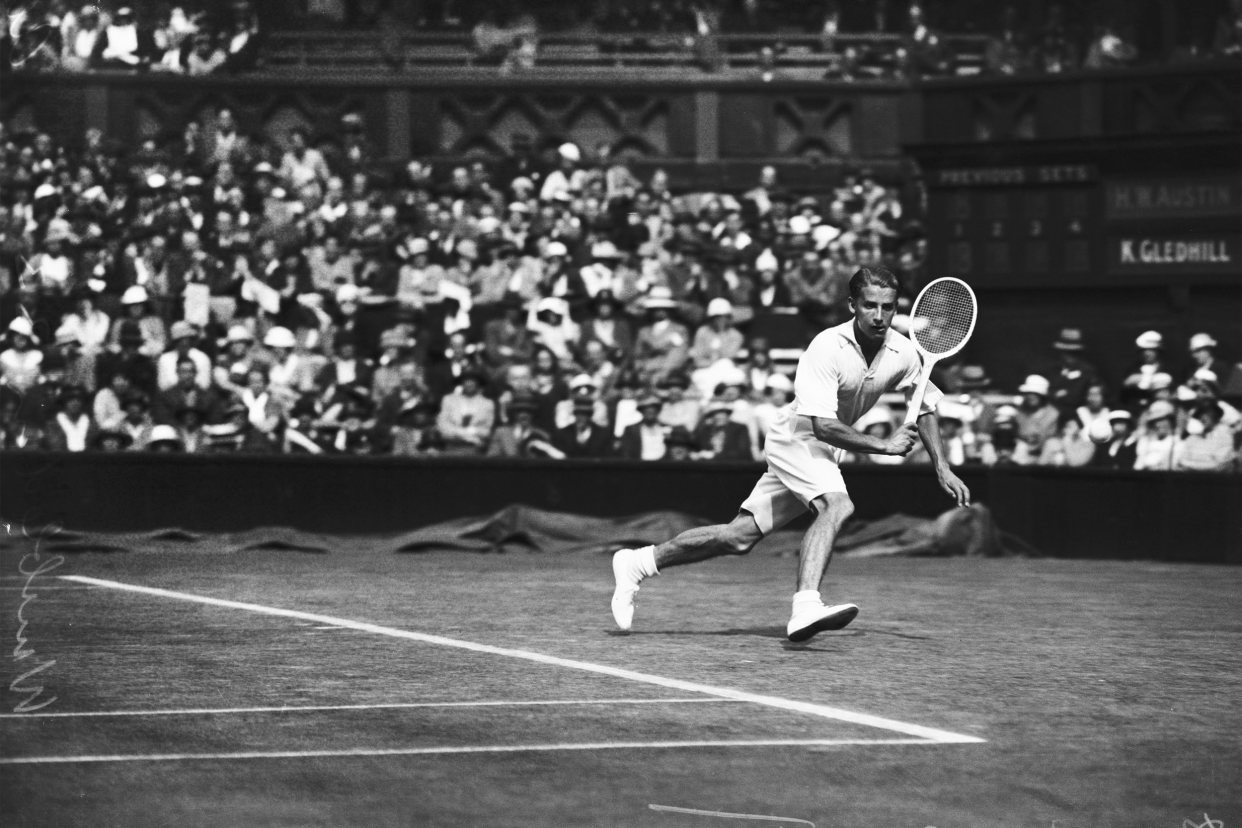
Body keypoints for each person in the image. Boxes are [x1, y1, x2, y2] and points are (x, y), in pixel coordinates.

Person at [610, 268, 969, 642]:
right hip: (796, 438)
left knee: (738, 537)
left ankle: (638, 563)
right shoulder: (826, 347)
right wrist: (883, 445)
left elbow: (924, 407)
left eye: (888, 307)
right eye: (869, 306)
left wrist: (942, 467)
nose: (879, 316)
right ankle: (805, 606)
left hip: (825, 448)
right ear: (852, 306)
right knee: (837, 506)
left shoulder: (905, 352)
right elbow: (822, 427)